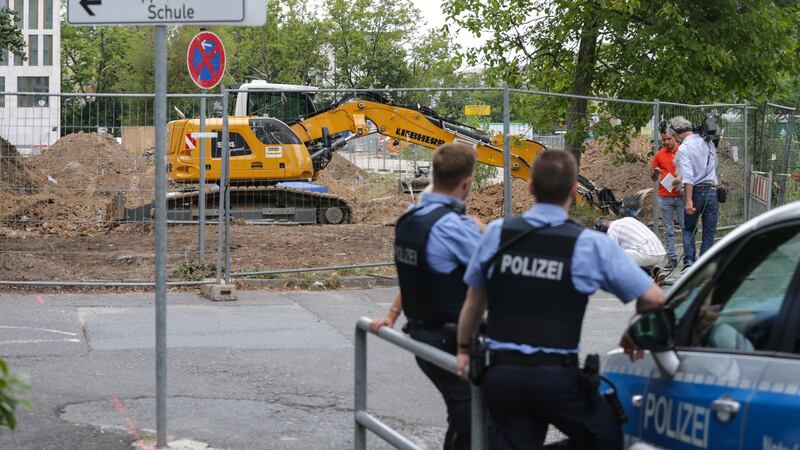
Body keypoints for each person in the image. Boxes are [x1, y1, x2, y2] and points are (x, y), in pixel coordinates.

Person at [455, 150, 665, 450]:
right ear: (573, 191)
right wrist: (633, 330)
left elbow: (474, 303)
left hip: (502, 377)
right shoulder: (589, 243)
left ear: (530, 187)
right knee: (606, 436)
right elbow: (655, 297)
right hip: (555, 378)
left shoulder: (498, 233)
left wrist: (463, 349)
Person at [371, 142, 482, 450]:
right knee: (476, 420)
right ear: (466, 183)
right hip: (450, 339)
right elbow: (495, 270)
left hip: (422, 332)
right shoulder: (455, 228)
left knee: (465, 419)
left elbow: (420, 271)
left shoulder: (412, 216)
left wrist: (392, 315)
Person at [667, 116, 719, 270]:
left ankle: (689, 262)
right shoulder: (708, 141)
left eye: (674, 138)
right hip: (712, 191)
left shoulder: (684, 148)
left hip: (696, 192)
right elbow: (714, 166)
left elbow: (688, 176)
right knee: (709, 230)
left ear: (677, 134)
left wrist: (689, 200)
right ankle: (704, 264)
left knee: (689, 228)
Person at [593, 216, 667, 282]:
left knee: (617, 257)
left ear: (602, 228)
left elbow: (611, 253)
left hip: (647, 254)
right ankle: (655, 270)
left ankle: (645, 279)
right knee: (632, 253)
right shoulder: (627, 219)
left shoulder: (611, 230)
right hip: (660, 252)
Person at [651, 125, 684, 269]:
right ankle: (672, 258)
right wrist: (656, 173)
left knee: (685, 227)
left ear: (675, 138)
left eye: (668, 139)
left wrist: (681, 178)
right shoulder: (659, 155)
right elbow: (653, 177)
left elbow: (692, 170)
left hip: (682, 195)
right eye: (663, 139)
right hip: (665, 195)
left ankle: (689, 257)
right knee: (668, 230)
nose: (666, 142)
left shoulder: (683, 151)